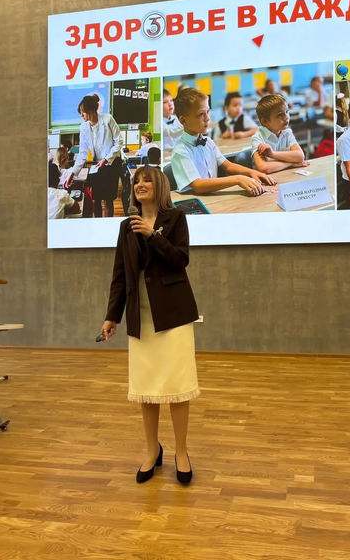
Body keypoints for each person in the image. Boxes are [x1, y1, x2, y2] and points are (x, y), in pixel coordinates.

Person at [101, 166, 200, 485]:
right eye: (135, 181)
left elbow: (181, 260)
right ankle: (151, 449)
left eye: (146, 180)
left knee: (178, 386)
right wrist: (112, 315)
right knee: (146, 389)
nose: (139, 184)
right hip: (140, 316)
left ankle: (181, 451)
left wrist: (153, 235)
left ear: (159, 185)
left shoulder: (177, 218)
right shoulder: (125, 225)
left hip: (173, 314)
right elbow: (120, 274)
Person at [170, 88, 275, 196]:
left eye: (207, 112)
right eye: (201, 114)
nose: (207, 118)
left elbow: (228, 166)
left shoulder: (208, 142)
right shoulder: (180, 151)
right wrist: (238, 179)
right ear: (183, 121)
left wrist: (252, 172)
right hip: (194, 202)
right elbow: (198, 185)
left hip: (212, 198)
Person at [62, 94, 123, 217]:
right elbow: (82, 153)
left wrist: (106, 159)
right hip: (97, 166)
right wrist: (72, 173)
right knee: (95, 199)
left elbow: (119, 142)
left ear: (92, 110)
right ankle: (98, 224)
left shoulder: (108, 119)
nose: (81, 115)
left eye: (83, 112)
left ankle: (107, 224)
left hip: (112, 163)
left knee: (108, 200)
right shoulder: (83, 127)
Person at [250, 94, 308, 174]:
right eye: (280, 115)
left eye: (287, 111)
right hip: (268, 179)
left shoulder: (287, 132)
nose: (286, 117)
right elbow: (264, 168)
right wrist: (291, 163)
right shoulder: (258, 138)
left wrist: (272, 154)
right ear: (265, 121)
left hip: (285, 175)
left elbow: (300, 156)